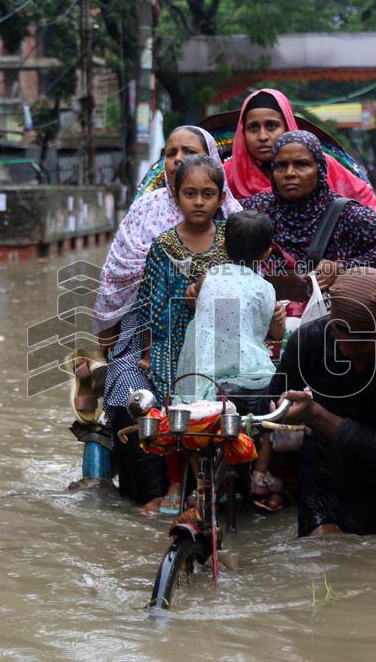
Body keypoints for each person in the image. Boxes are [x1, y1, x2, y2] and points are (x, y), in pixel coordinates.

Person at [92, 126, 242, 509]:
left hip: (216, 334)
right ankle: (152, 491)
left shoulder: (232, 223)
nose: (176, 159)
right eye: (170, 152)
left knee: (233, 392)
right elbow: (117, 276)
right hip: (143, 329)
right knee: (131, 391)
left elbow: (244, 288)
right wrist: (120, 338)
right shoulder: (146, 211)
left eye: (187, 150)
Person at [268, 267, 376, 538]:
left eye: (362, 340)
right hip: (324, 473)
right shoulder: (310, 340)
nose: (347, 348)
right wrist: (279, 411)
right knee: (323, 551)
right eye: (341, 331)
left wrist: (316, 415)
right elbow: (271, 402)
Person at [136, 154, 232, 514]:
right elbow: (151, 306)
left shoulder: (229, 242)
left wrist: (208, 303)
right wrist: (186, 303)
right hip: (172, 341)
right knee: (171, 403)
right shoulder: (162, 246)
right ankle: (176, 480)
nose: (198, 201)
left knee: (219, 402)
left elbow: (240, 293)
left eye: (208, 193)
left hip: (217, 340)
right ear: (176, 197)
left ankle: (217, 481)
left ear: (221, 198)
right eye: (189, 193)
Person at [173, 210, 287, 508]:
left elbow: (207, 308)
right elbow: (270, 334)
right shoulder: (265, 288)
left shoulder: (209, 275)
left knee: (195, 419)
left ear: (223, 246)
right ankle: (260, 476)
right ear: (268, 251)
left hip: (202, 373)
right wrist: (280, 320)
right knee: (266, 416)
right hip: (248, 375)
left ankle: (200, 486)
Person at [241, 130, 376, 294]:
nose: (289, 173)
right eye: (281, 166)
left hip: (334, 321)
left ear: (320, 170)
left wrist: (344, 268)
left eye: (301, 164)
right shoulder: (258, 209)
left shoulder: (345, 214)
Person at [224, 89, 376, 215]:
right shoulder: (227, 174)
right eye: (253, 128)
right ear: (242, 132)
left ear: (287, 126)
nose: (263, 136)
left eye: (271, 126)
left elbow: (367, 202)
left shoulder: (320, 163)